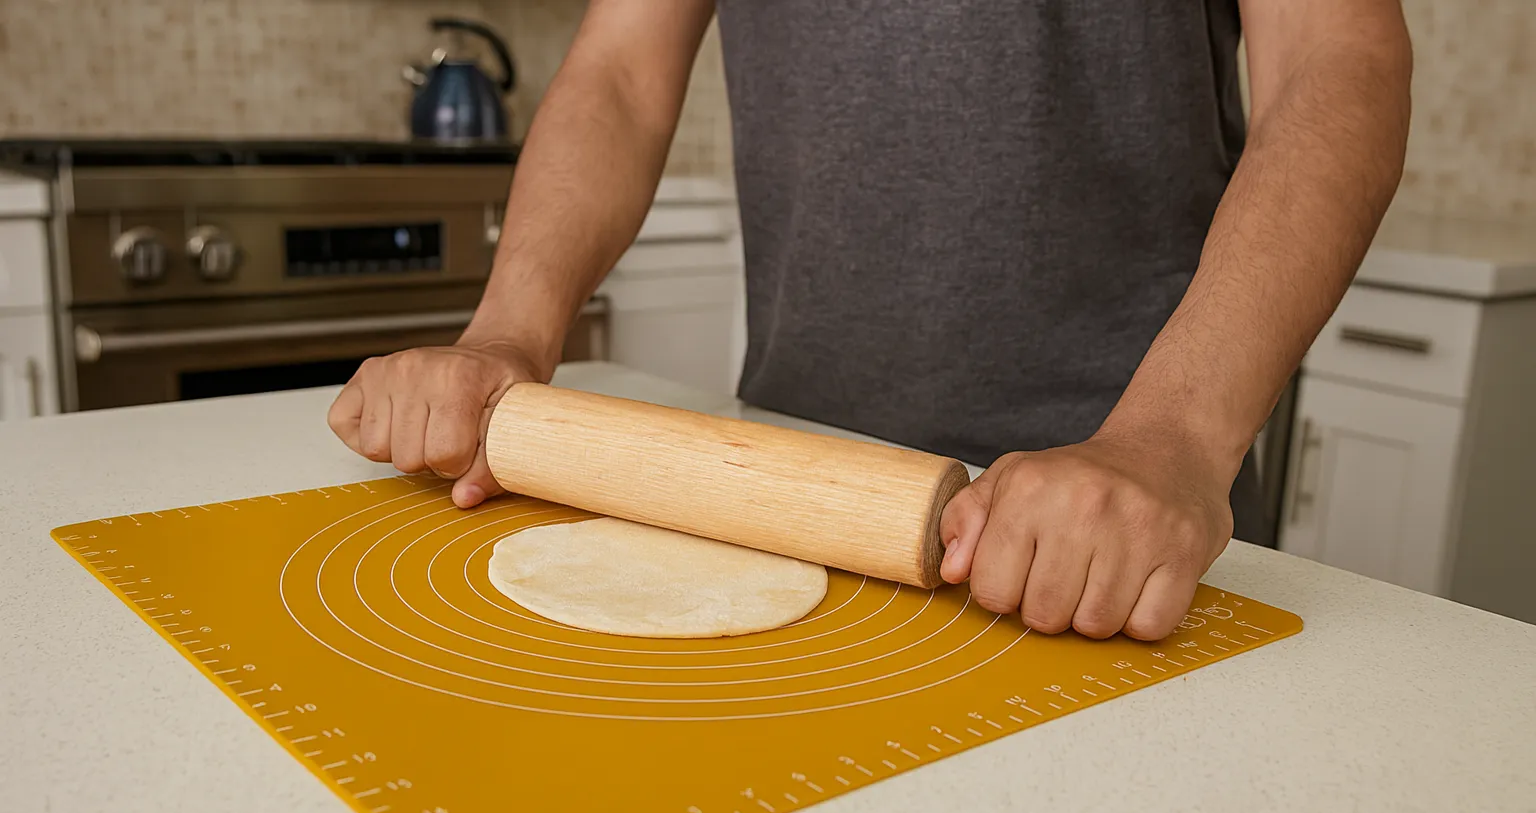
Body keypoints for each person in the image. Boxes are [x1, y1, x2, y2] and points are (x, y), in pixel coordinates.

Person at [329, 0, 1412, 641]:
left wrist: (1172, 442)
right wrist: (507, 335)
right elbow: (619, 71)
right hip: (795, 505)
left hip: (1123, 532)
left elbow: (1337, 56)